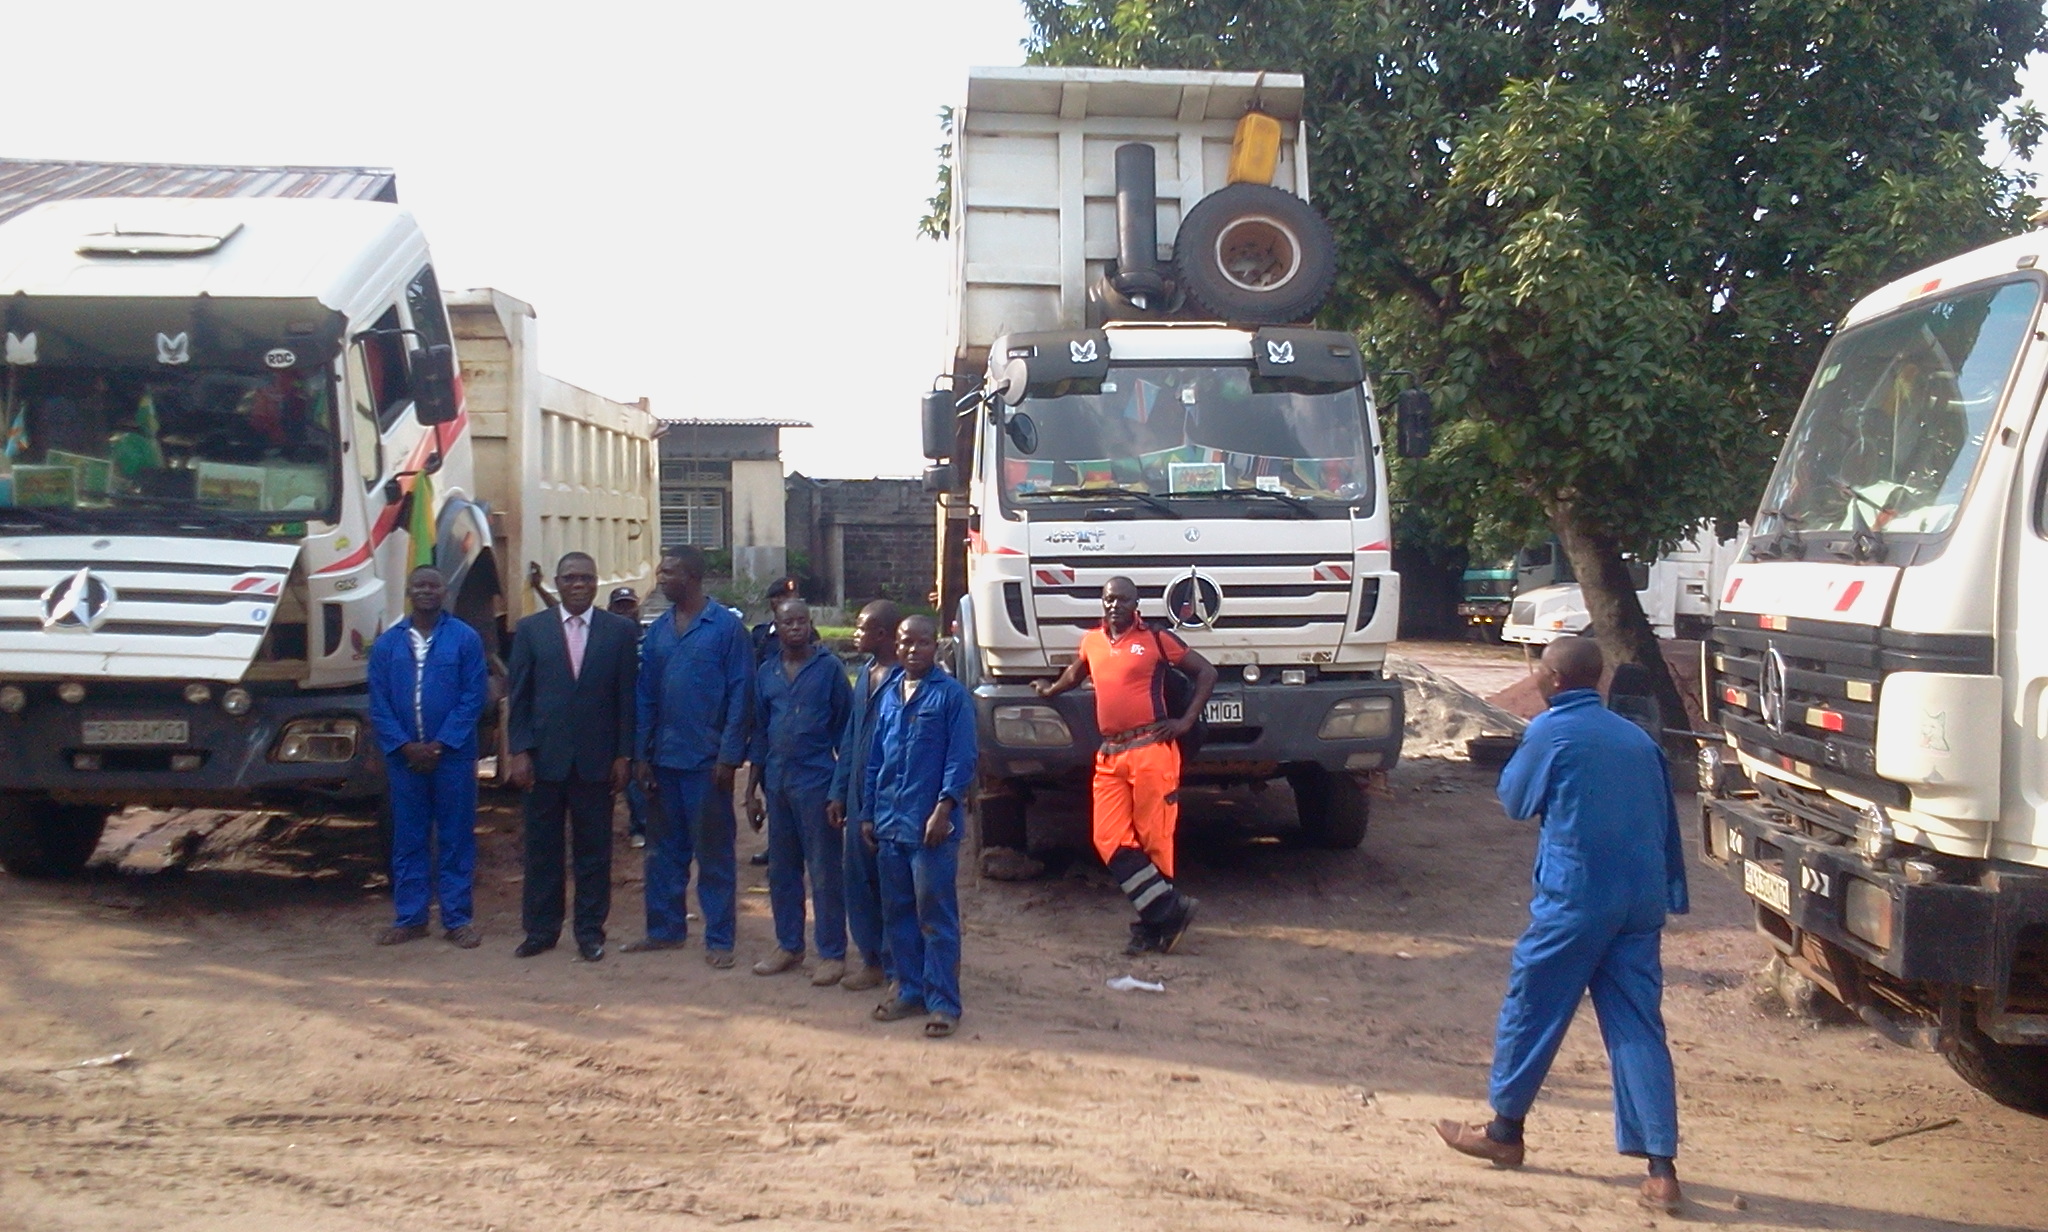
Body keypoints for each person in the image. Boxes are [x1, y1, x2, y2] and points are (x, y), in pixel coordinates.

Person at [1435, 637, 1690, 1216]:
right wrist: (1670, 892)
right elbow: (1667, 825)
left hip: (1576, 899)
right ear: (1595, 680)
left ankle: (1503, 1132)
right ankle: (1660, 1170)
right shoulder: (1638, 739)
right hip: (1640, 901)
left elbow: (1516, 801)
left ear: (1551, 679)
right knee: (1637, 1027)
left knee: (1534, 1006)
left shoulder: (1552, 732)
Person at [1033, 576, 1215, 955]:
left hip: (1152, 750)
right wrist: (1049, 690)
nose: (1115, 605)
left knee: (1154, 840)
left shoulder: (1157, 640)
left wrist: (1184, 723)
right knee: (1108, 837)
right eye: (1109, 599)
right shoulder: (1092, 641)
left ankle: (1154, 928)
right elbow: (1076, 672)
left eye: (1123, 599)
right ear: (1102, 603)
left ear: (1137, 605)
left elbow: (1207, 673)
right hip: (1110, 755)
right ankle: (1168, 911)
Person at [505, 553, 640, 963]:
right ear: (558, 583)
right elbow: (520, 696)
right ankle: (541, 931)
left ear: (596, 583)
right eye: (569, 578)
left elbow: (626, 699)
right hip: (545, 760)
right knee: (542, 851)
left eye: (585, 578)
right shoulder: (531, 630)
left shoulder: (618, 631)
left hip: (596, 762)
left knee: (594, 852)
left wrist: (623, 754)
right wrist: (519, 750)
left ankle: (589, 931)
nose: (578, 584)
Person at [630, 544, 754, 967]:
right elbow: (645, 695)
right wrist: (641, 753)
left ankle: (720, 939)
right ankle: (664, 930)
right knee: (663, 852)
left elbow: (741, 694)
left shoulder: (725, 629)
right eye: (661, 571)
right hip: (664, 760)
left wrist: (729, 756)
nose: (661, 578)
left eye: (670, 572)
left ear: (693, 577)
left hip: (706, 763)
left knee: (714, 854)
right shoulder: (661, 629)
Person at [862, 615, 976, 1038]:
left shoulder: (951, 698)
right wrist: (868, 814)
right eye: (906, 642)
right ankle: (908, 989)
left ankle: (943, 1002)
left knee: (935, 915)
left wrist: (943, 810)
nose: (913, 650)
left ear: (936, 646)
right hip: (890, 825)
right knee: (898, 913)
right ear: (897, 644)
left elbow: (961, 759)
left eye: (922, 643)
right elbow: (877, 759)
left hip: (931, 828)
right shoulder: (889, 694)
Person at [366, 565, 490, 949]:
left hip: (452, 757)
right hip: (404, 760)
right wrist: (404, 745)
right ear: (408, 591)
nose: (426, 591)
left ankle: (457, 920)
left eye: (433, 585)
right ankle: (411, 918)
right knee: (409, 838)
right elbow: (379, 702)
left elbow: (474, 697)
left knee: (455, 838)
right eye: (418, 585)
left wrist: (442, 743)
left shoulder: (465, 640)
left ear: (444, 591)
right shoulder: (387, 645)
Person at [747, 597, 856, 983]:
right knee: (781, 869)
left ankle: (832, 952)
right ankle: (789, 945)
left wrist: (841, 791)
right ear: (775, 626)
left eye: (801, 621)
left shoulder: (828, 670)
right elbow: (759, 732)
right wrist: (751, 792)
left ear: (810, 625)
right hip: (777, 783)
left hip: (817, 783)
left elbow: (848, 734)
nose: (795, 627)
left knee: (824, 870)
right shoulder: (767, 673)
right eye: (787, 621)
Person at [828, 599, 903, 993]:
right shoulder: (866, 673)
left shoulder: (907, 679)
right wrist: (839, 791)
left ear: (884, 635)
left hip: (891, 799)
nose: (855, 634)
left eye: (862, 627)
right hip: (858, 797)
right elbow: (851, 737)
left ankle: (898, 969)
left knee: (892, 884)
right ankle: (871, 960)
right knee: (857, 881)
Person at [608, 586, 651, 850]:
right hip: (608, 716)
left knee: (637, 774)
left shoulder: (649, 638)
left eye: (629, 605)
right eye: (620, 605)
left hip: (639, 716)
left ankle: (641, 826)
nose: (625, 610)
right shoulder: (602, 637)